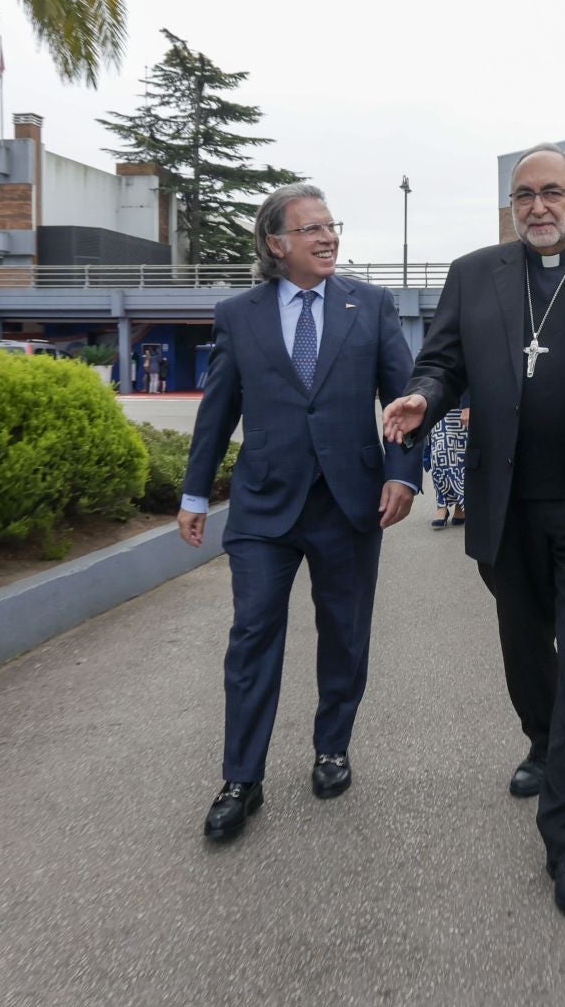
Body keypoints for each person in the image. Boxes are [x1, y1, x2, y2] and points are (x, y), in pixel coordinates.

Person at [382, 141, 565, 921]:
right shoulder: (474, 274)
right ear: (512, 206)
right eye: (524, 195)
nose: (539, 206)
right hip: (505, 506)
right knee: (525, 648)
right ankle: (541, 738)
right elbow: (442, 362)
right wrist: (422, 396)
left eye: (553, 192)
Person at [179, 183, 420, 842]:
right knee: (253, 634)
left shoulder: (369, 306)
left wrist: (403, 476)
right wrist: (195, 493)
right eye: (311, 228)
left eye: (331, 225)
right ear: (275, 244)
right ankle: (241, 778)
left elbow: (402, 402)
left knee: (344, 632)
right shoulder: (238, 314)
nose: (328, 237)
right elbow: (218, 409)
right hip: (263, 504)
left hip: (350, 502)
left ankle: (331, 746)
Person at [426, 393, 470, 528]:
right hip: (440, 401)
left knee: (461, 458)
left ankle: (460, 504)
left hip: (462, 401)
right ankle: (441, 505)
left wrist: (467, 404)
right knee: (440, 455)